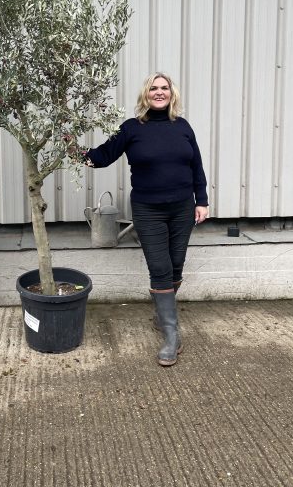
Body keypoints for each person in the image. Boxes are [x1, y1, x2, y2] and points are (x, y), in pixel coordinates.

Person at [81, 72, 209, 366]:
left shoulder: (183, 127)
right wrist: (77, 151)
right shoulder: (131, 128)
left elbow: (196, 166)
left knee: (176, 265)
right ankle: (171, 335)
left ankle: (162, 316)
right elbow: (103, 155)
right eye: (154, 88)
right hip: (147, 209)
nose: (160, 92)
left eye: (164, 88)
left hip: (182, 209)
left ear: (171, 93)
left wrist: (201, 201)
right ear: (146, 94)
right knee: (160, 267)